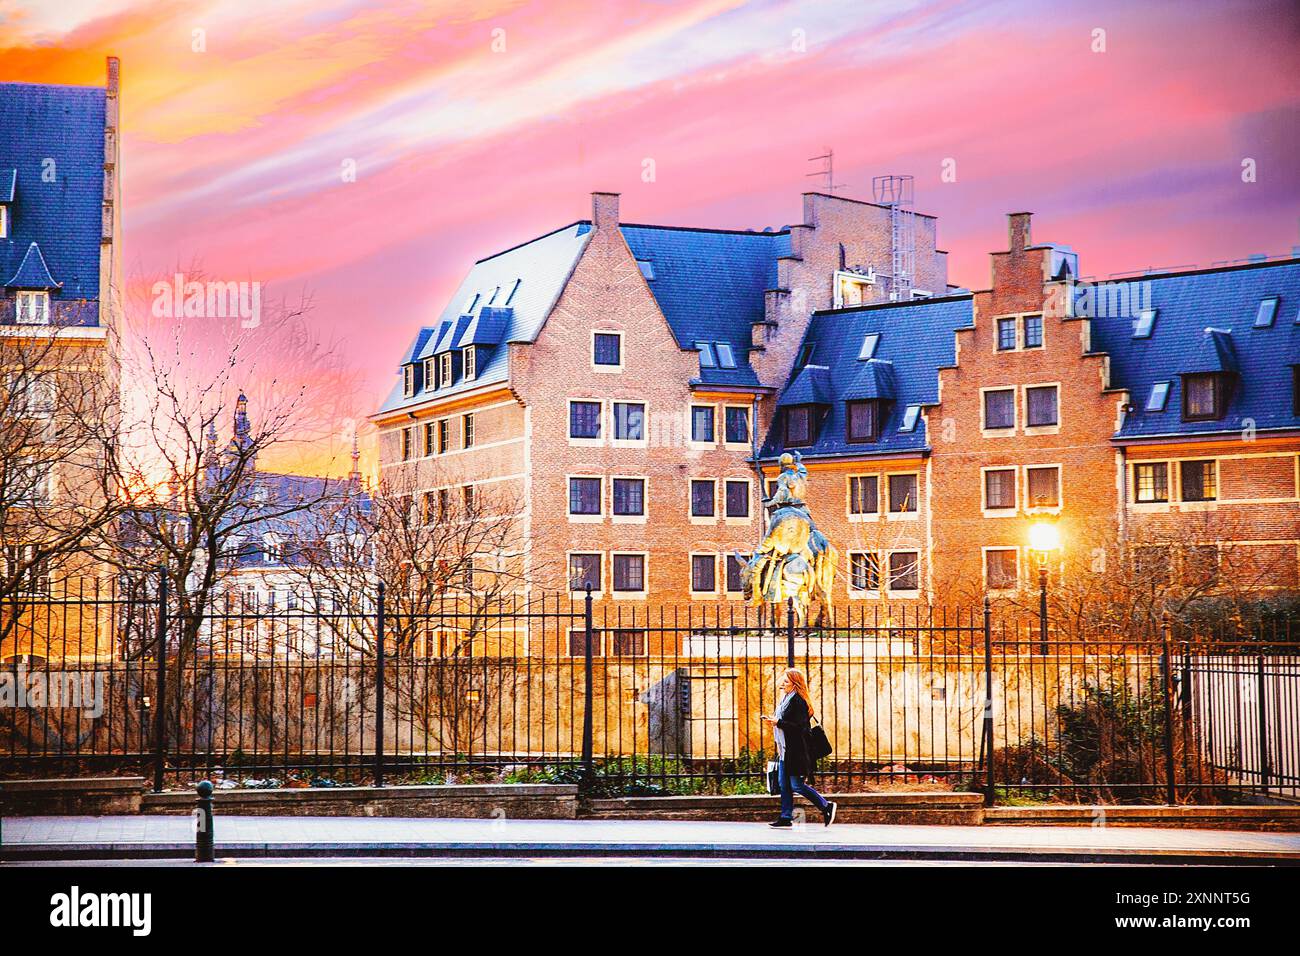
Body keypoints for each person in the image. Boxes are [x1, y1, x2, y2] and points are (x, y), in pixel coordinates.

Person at [760, 667, 836, 828]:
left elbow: (800, 728)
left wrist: (778, 722)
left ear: (795, 684)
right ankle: (786, 817)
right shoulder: (786, 699)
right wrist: (773, 720)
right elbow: (784, 722)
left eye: (786, 681)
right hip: (785, 750)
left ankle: (826, 806)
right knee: (783, 784)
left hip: (797, 752)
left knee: (796, 785)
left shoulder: (798, 702)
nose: (783, 683)